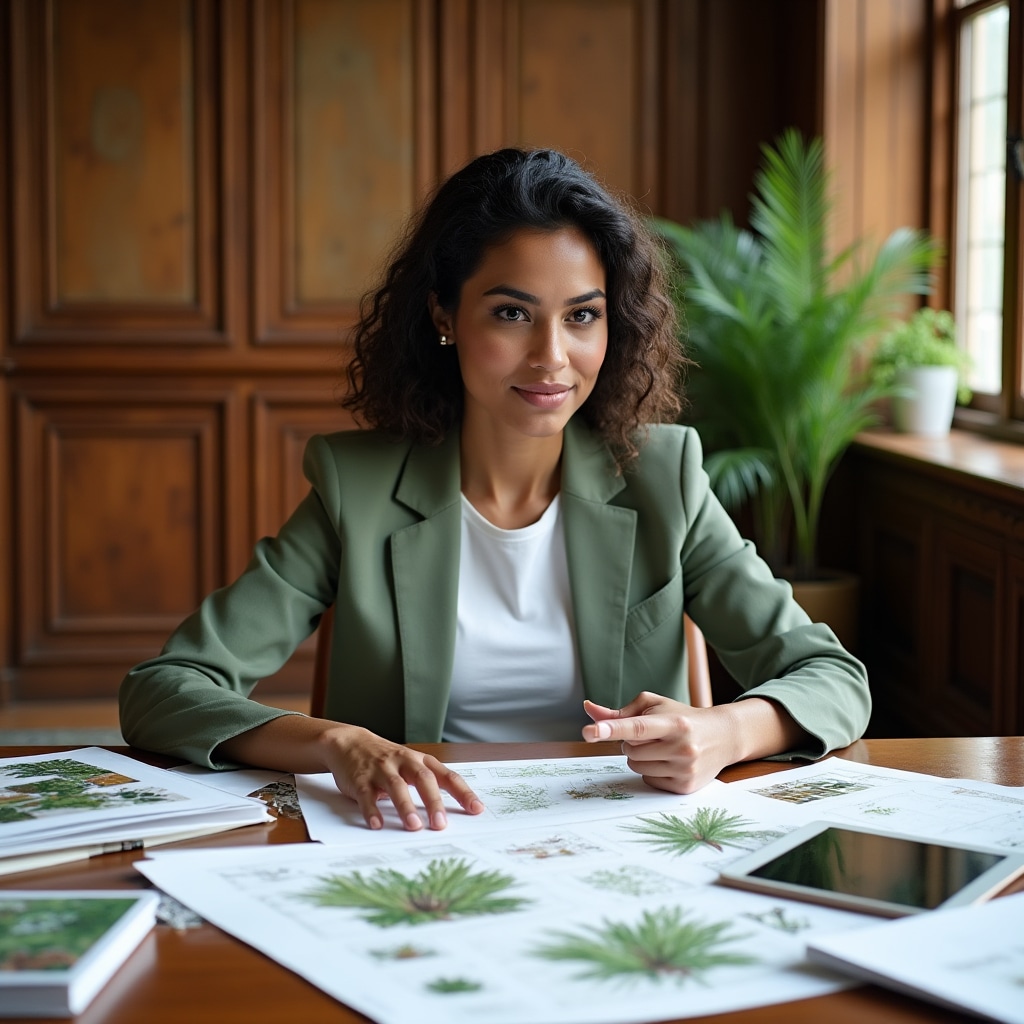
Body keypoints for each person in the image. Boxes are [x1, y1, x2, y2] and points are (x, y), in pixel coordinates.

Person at [119, 148, 870, 833]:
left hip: (617, 842)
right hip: (420, 839)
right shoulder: (360, 490)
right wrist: (336, 743)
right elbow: (164, 689)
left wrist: (725, 731)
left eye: (582, 316)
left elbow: (834, 678)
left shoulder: (662, 480)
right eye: (512, 314)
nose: (552, 357)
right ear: (444, 315)